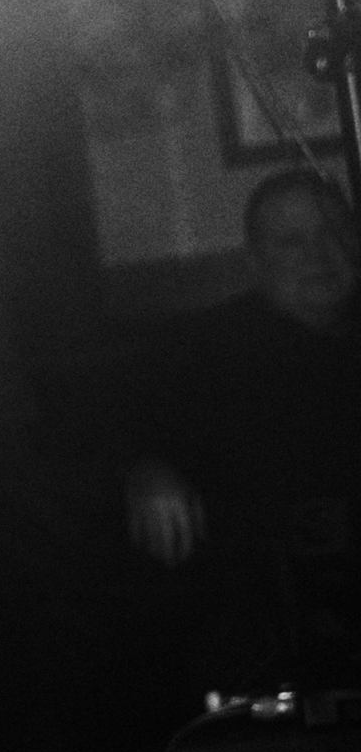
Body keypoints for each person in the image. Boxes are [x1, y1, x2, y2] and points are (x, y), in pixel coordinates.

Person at [124, 165, 361, 691]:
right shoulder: (207, 349)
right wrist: (148, 470)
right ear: (256, 262)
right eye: (292, 242)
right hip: (269, 619)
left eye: (334, 233)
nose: (321, 255)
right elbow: (139, 429)